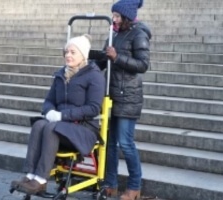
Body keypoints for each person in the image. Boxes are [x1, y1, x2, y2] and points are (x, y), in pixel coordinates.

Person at [11, 34, 105, 195]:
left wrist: (62, 116)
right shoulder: (61, 74)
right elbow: (48, 101)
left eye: (73, 52)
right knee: (39, 124)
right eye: (66, 52)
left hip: (82, 129)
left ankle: (41, 180)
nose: (68, 55)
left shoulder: (94, 76)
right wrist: (49, 112)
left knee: (51, 128)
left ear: (83, 54)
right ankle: (30, 175)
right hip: (59, 126)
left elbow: (93, 109)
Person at [92, 0, 152, 199]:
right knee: (109, 142)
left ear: (126, 17)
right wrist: (86, 61)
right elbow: (102, 61)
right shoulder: (113, 34)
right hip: (111, 95)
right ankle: (111, 183)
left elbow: (143, 65)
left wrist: (117, 57)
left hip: (129, 97)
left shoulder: (139, 34)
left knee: (126, 143)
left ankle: (134, 187)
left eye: (117, 16)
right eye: (113, 15)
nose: (114, 19)